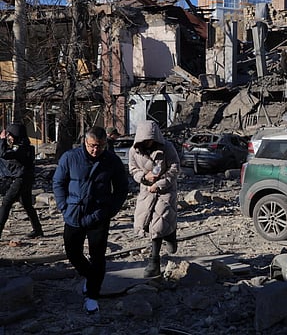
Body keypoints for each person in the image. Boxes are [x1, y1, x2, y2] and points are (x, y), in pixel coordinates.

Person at [52, 126, 129, 314]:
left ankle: (92, 296)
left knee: (98, 257)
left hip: (99, 214)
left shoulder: (112, 161)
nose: (96, 150)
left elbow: (121, 188)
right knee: (73, 253)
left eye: (101, 146)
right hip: (73, 212)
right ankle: (91, 277)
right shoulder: (70, 158)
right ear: (85, 142)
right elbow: (58, 182)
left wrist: (110, 210)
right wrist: (63, 206)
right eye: (93, 146)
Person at [128, 120, 180, 278]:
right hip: (146, 190)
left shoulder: (167, 148)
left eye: (150, 139)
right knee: (146, 223)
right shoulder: (134, 151)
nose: (148, 142)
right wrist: (144, 177)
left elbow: (175, 167)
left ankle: (154, 262)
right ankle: (169, 234)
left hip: (165, 190)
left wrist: (160, 183)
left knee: (158, 226)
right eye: (144, 140)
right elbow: (132, 169)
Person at [0, 123, 43, 240]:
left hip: (21, 179)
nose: (9, 137)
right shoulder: (24, 147)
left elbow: (3, 154)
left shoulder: (20, 148)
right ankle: (37, 230)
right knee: (27, 205)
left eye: (10, 135)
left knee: (6, 204)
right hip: (25, 179)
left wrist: (2, 140)